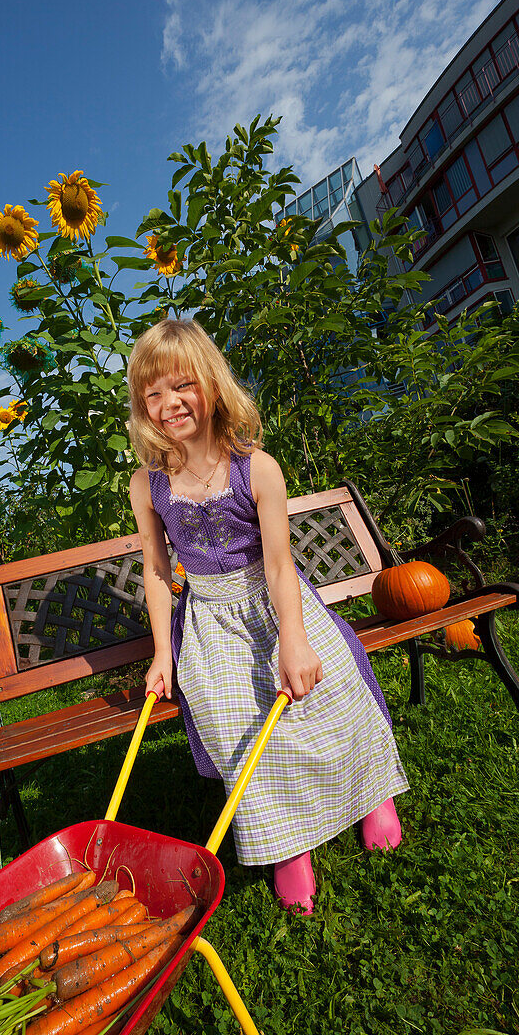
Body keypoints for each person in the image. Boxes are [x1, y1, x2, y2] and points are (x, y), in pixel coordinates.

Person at [127, 318, 408, 914]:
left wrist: (295, 639)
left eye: (182, 386)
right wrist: (161, 654)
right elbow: (157, 571)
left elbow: (281, 564)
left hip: (275, 602)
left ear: (212, 384)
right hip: (207, 621)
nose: (168, 404)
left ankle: (371, 794)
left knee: (328, 696)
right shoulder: (147, 484)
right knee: (235, 726)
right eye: (152, 393)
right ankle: (288, 847)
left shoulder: (257, 468)